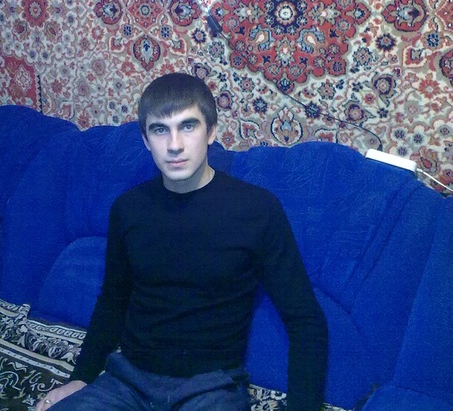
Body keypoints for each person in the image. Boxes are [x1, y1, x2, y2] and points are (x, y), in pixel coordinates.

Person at [35, 72, 328, 411]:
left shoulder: (257, 210)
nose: (174, 145)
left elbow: (305, 319)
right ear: (146, 139)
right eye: (160, 130)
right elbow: (113, 300)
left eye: (188, 126)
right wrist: (81, 378)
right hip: (127, 380)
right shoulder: (128, 209)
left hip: (212, 387)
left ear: (211, 132)